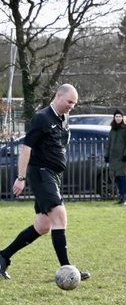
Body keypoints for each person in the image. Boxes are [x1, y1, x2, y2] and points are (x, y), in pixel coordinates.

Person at [0, 84, 89, 282]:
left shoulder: (63, 119)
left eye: (74, 103)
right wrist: (21, 178)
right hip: (41, 173)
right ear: (58, 96)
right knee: (60, 215)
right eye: (69, 102)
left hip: (53, 175)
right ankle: (67, 270)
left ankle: (3, 256)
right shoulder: (42, 118)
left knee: (42, 225)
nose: (71, 106)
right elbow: (26, 148)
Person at [106, 110, 126, 206]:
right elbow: (109, 143)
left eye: (119, 116)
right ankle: (121, 196)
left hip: (122, 158)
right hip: (113, 158)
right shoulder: (112, 129)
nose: (118, 118)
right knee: (116, 177)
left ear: (122, 117)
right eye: (116, 116)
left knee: (122, 177)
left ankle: (125, 197)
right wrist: (107, 155)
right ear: (114, 118)